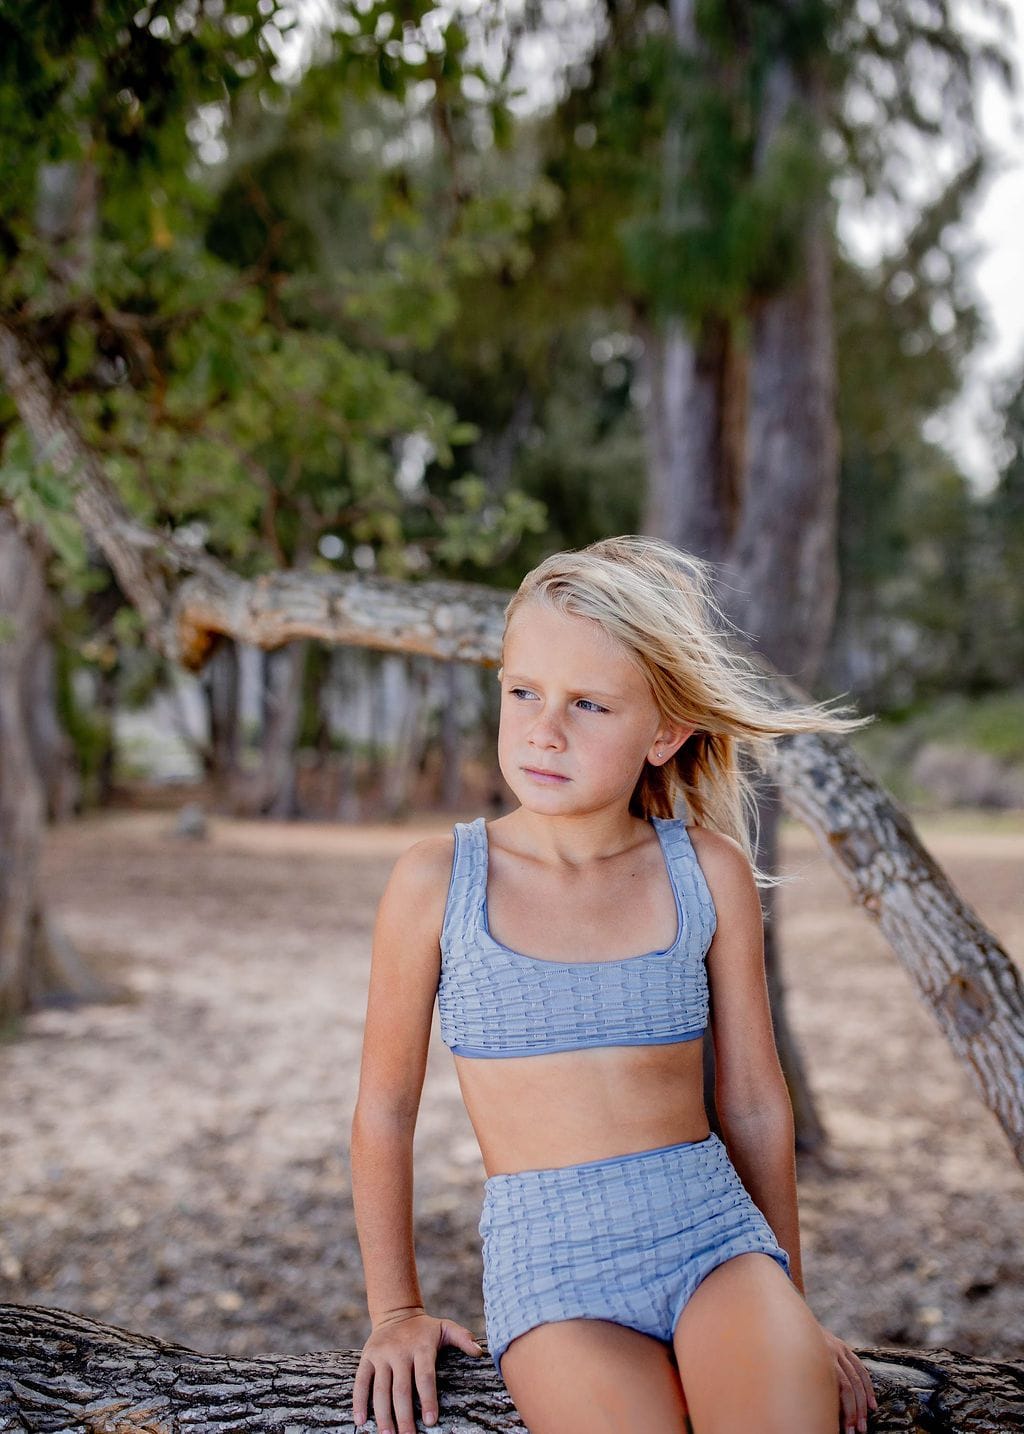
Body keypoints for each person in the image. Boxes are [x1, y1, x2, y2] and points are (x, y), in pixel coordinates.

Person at [350, 535, 879, 1434]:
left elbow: (751, 1101)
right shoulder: (437, 881)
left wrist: (789, 1300)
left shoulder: (705, 873)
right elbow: (383, 1109)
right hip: (553, 1274)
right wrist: (395, 1311)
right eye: (524, 692)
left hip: (714, 1241)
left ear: (664, 730)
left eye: (590, 704)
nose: (544, 730)